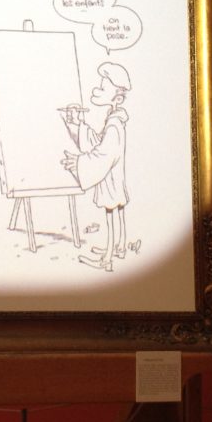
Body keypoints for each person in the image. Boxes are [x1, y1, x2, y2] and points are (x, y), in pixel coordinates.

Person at [61, 62, 131, 272]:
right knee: (118, 209)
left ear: (117, 99)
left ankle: (107, 258)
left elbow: (103, 154)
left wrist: (78, 163)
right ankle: (119, 246)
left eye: (103, 87)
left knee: (111, 212)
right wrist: (78, 124)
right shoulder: (114, 122)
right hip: (113, 178)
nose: (97, 90)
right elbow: (98, 141)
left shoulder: (114, 125)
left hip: (110, 179)